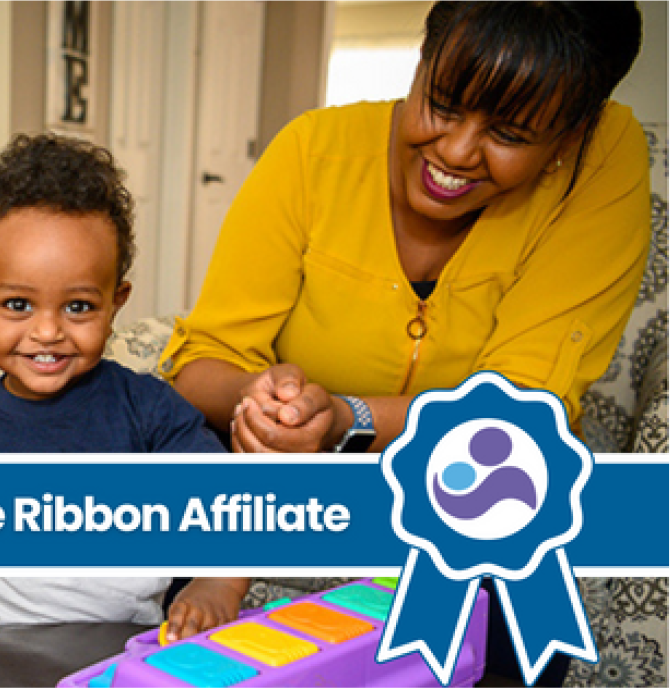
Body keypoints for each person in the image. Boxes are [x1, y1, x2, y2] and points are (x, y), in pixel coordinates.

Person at [159, 1, 650, 458]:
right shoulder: (311, 152)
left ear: (570, 136)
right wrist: (255, 398)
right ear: (422, 62)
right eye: (442, 105)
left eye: (507, 135)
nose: (455, 153)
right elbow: (203, 366)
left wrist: (346, 420)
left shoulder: (600, 160)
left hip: (488, 488)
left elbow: (518, 410)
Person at [0, 133, 249, 648]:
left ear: (116, 303)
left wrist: (217, 582)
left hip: (124, 653)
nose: (48, 332)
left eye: (79, 307)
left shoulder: (152, 415)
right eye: (18, 305)